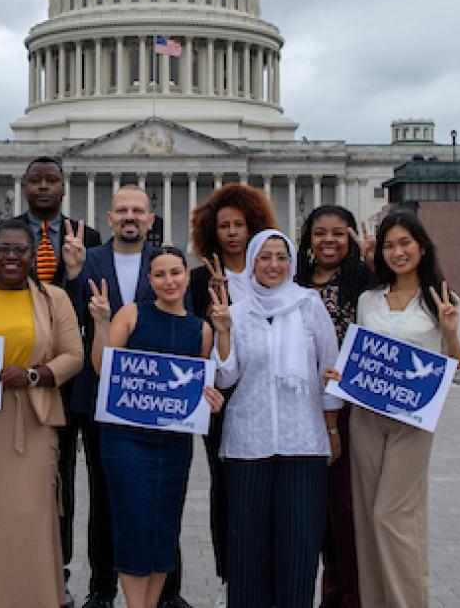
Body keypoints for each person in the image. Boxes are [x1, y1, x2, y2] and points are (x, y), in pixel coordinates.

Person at [0, 156, 101, 606]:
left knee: (56, 491)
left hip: (65, 384)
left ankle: (52, 576)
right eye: (35, 181)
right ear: (23, 186)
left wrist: (77, 273)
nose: (44, 187)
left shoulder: (88, 236)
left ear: (64, 186)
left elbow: (89, 316)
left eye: (52, 180)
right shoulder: (0, 234)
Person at [65, 185, 191, 608]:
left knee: (164, 498)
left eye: (138, 210)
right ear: (109, 217)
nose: (130, 217)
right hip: (101, 395)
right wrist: (71, 274)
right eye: (122, 210)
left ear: (151, 220)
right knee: (104, 498)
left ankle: (168, 592)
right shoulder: (88, 260)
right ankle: (102, 589)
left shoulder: (166, 265)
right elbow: (67, 315)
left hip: (160, 401)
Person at [0, 218, 83, 608]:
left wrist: (33, 375)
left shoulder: (53, 298)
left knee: (33, 512)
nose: (11, 257)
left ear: (33, 257)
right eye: (2, 249)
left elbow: (73, 357)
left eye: (20, 250)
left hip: (33, 419)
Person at [209, 229, 342, 608]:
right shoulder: (236, 312)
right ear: (252, 262)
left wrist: (332, 427)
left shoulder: (309, 305)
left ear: (292, 263)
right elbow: (225, 376)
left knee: (299, 547)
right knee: (247, 547)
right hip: (248, 442)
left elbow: (328, 369)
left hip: (303, 442)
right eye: (264, 257)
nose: (273, 265)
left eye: (281, 257)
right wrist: (222, 334)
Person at [349, 208, 460, 608]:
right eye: (389, 245)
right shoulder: (369, 300)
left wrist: (451, 335)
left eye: (405, 243)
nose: (397, 252)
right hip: (366, 418)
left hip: (413, 419)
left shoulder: (443, 300)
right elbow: (363, 355)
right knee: (368, 519)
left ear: (422, 246)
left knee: (393, 516)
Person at [87, 245, 223, 608]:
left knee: (165, 523)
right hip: (126, 439)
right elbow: (103, 368)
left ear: (186, 276)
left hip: (173, 442)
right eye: (160, 274)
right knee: (133, 519)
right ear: (150, 280)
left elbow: (204, 383)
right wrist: (102, 321)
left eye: (175, 273)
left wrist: (212, 399)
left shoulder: (201, 330)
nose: (169, 281)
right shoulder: (132, 314)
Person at [186, 182, 277, 607]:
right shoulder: (200, 278)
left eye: (240, 224)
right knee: (225, 488)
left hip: (269, 392)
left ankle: (268, 570)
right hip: (221, 398)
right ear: (212, 231)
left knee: (270, 485)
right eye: (224, 226)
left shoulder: (271, 271)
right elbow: (193, 337)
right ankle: (229, 575)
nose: (233, 233)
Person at [295, 205, 374, 608]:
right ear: (308, 238)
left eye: (339, 234)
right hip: (299, 406)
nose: (329, 241)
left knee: (344, 506)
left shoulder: (364, 283)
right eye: (321, 233)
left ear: (352, 239)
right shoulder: (295, 282)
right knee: (315, 509)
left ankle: (347, 595)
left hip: (348, 408)